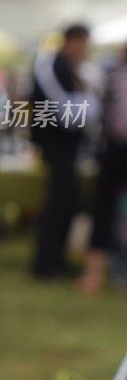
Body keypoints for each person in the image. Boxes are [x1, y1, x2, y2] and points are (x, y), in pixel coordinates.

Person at [30, 24, 97, 279]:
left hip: (67, 149)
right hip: (56, 148)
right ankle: (46, 264)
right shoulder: (51, 67)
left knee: (67, 204)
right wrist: (90, 106)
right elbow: (68, 113)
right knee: (57, 205)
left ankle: (56, 260)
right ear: (73, 42)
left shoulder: (69, 69)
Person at [79, 43, 127, 293]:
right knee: (106, 213)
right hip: (113, 153)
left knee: (107, 213)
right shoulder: (111, 78)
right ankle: (96, 276)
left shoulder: (112, 77)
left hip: (113, 152)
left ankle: (96, 276)